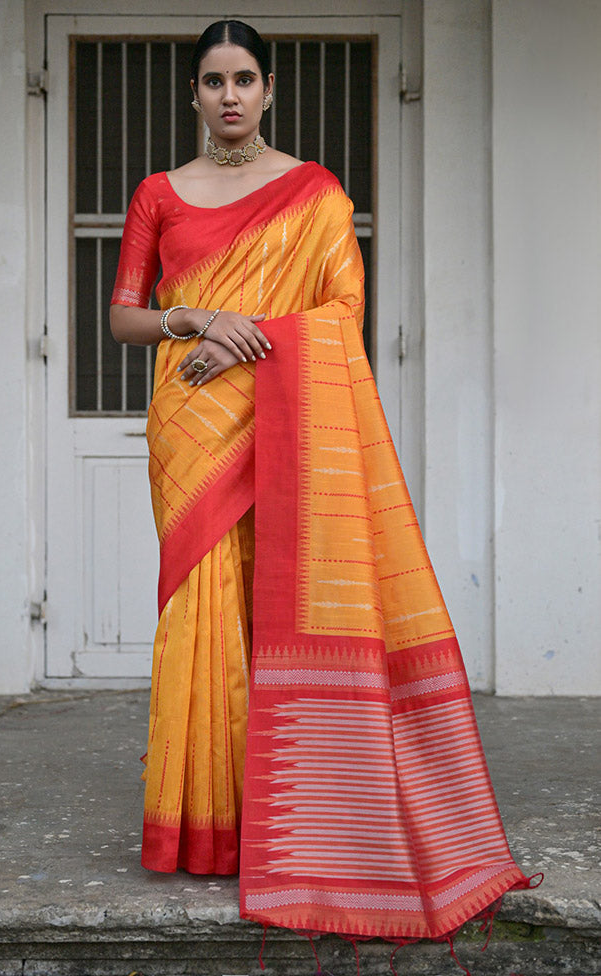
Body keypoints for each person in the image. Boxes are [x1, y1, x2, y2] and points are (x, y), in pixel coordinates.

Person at [110, 18, 534, 961]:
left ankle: (295, 817)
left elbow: (340, 312)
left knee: (283, 599)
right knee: (203, 609)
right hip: (191, 424)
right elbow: (125, 316)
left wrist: (245, 333)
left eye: (245, 79)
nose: (229, 95)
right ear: (192, 93)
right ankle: (205, 824)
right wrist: (195, 320)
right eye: (213, 80)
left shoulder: (315, 194)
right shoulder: (157, 196)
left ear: (269, 91)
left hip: (283, 415)